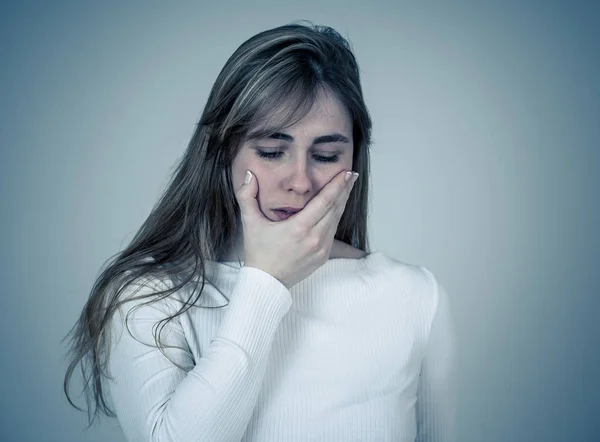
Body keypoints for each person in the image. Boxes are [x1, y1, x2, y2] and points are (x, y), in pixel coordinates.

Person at [63, 20, 457, 442]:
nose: (300, 181)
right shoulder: (149, 294)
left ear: (354, 159)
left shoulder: (415, 296)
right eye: (272, 151)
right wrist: (266, 281)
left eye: (325, 155)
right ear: (224, 152)